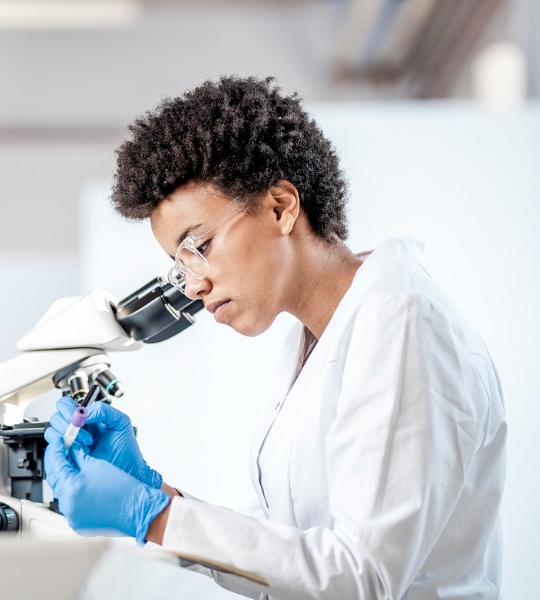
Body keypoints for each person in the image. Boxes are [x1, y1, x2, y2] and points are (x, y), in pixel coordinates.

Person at [43, 76, 506, 599]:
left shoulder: (402, 320)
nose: (193, 285)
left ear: (282, 206)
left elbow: (362, 577)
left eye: (197, 247)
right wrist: (158, 495)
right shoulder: (315, 339)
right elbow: (290, 546)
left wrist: (158, 518)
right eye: (178, 265)